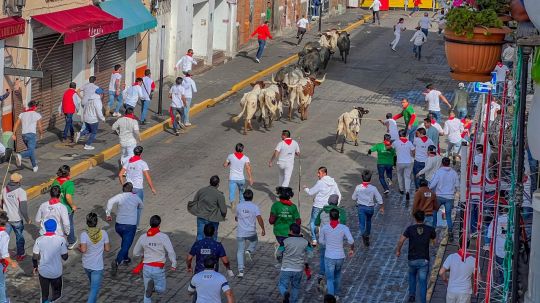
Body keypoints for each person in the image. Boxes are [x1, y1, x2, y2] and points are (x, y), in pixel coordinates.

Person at [133, 215, 177, 303]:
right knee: (161, 289)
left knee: (147, 293)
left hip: (146, 267)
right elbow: (171, 251)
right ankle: (154, 288)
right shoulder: (163, 237)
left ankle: (150, 288)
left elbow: (135, 253)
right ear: (159, 225)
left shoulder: (143, 237)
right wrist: (173, 263)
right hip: (158, 268)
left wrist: (143, 253)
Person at [396, 211, 436, 303]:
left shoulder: (410, 229)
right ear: (424, 218)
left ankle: (412, 296)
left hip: (412, 259)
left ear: (415, 218)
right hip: (424, 259)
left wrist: (398, 251)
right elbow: (434, 242)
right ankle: (423, 301)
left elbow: (401, 240)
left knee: (412, 276)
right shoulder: (430, 229)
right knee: (423, 282)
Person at [106, 182, 143, 274]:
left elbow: (110, 201)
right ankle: (117, 261)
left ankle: (126, 258)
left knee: (125, 241)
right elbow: (141, 206)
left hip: (119, 226)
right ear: (132, 190)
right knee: (126, 245)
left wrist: (108, 214)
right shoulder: (136, 197)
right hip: (130, 226)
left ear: (123, 189)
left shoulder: (120, 196)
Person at [319, 209, 354, 299]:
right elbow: (351, 240)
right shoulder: (344, 228)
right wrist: (351, 250)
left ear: (330, 217)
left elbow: (321, 241)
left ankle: (331, 296)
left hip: (329, 256)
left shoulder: (325, 228)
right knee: (337, 276)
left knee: (330, 279)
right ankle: (336, 294)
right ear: (338, 217)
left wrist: (327, 243)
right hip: (340, 256)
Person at [33, 219, 69, 303]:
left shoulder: (39, 240)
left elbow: (35, 257)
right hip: (56, 273)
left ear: (45, 227)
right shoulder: (61, 240)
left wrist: (35, 266)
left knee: (44, 294)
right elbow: (65, 257)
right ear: (55, 227)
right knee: (57, 294)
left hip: (43, 272)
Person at [304, 166, 341, 246]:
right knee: (326, 222)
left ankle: (314, 239)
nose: (318, 175)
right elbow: (339, 194)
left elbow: (311, 192)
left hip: (317, 205)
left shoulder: (320, 182)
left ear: (324, 173)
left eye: (319, 173)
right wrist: (336, 205)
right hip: (327, 207)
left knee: (313, 222)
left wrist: (306, 188)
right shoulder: (333, 183)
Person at [314, 194, 346, 287]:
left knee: (323, 257)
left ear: (328, 201)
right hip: (335, 240)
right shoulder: (341, 212)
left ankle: (321, 274)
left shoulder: (322, 211)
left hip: (324, 239)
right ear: (337, 202)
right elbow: (343, 223)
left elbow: (316, 223)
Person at [276, 223, 312, 303]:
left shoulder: (285, 241)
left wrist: (280, 260)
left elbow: (278, 253)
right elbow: (310, 254)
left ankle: (285, 293)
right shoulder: (306, 242)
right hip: (298, 269)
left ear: (291, 231)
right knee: (295, 287)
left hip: (286, 268)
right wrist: (306, 263)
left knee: (282, 285)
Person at [79, 212, 110, 303]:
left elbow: (83, 250)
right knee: (94, 289)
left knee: (93, 287)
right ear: (96, 222)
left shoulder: (84, 234)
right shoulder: (103, 233)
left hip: (87, 265)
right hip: (97, 266)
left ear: (87, 222)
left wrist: (79, 248)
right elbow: (107, 249)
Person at [235, 189, 265, 278]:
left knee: (240, 251)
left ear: (243, 197)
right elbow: (259, 218)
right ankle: (249, 250)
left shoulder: (239, 206)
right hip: (251, 232)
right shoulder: (255, 207)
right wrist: (263, 229)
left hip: (240, 232)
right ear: (252, 197)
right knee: (254, 241)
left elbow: (236, 218)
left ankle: (240, 271)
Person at [188, 175, 227, 241]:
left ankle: (199, 249)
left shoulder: (201, 190)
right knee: (213, 237)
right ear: (218, 184)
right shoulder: (219, 195)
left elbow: (194, 202)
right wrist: (222, 216)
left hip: (201, 217)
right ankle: (212, 250)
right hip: (214, 219)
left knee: (200, 235)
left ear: (209, 182)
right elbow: (223, 210)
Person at [429, 157, 459, 241]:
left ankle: (433, 229)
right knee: (448, 216)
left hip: (439, 196)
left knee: (434, 212)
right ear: (449, 163)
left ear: (442, 163)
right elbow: (457, 185)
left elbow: (432, 185)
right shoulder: (454, 173)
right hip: (449, 197)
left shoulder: (438, 172)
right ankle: (450, 232)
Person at [352, 170, 384, 247]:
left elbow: (353, 198)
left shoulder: (358, 187)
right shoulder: (373, 188)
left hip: (361, 208)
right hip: (370, 208)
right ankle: (368, 234)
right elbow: (379, 198)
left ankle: (364, 235)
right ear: (370, 178)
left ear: (362, 177)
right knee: (369, 221)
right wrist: (382, 207)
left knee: (362, 224)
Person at [1, 173, 29, 261]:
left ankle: (2, 254)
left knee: (3, 238)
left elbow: (1, 203)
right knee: (19, 237)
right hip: (17, 219)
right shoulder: (21, 192)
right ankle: (20, 254)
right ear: (18, 181)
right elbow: (23, 208)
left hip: (6, 219)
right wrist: (27, 219)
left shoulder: (4, 189)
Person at [12, 100, 43, 172]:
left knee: (30, 150)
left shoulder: (22, 114)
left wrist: (13, 134)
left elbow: (16, 124)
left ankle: (34, 166)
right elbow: (40, 126)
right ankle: (20, 155)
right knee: (31, 150)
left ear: (29, 106)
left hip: (24, 135)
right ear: (35, 107)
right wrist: (41, 134)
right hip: (31, 135)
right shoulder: (37, 114)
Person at [52, 165, 78, 250]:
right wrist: (73, 205)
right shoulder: (69, 184)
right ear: (68, 173)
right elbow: (68, 196)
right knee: (69, 224)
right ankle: (71, 241)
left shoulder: (55, 182)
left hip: (56, 207)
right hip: (66, 209)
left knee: (59, 225)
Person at [392, 129, 415, 201]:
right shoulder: (409, 143)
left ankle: (401, 189)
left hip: (399, 162)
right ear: (406, 135)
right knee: (407, 177)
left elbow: (391, 148)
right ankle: (407, 191)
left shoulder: (396, 142)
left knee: (400, 175)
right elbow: (413, 151)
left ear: (399, 135)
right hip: (409, 162)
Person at [0, 211, 17, 303]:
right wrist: (12, 262)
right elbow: (4, 254)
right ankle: (3, 301)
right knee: (1, 284)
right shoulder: (4, 235)